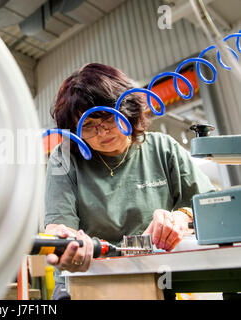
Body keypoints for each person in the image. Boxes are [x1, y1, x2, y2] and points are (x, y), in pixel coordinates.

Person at [44, 63, 215, 300]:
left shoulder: (161, 148)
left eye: (107, 119)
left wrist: (180, 218)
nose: (101, 133)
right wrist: (68, 245)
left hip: (155, 276)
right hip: (86, 279)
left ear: (128, 110)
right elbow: (57, 226)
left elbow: (208, 206)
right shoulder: (65, 157)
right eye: (89, 126)